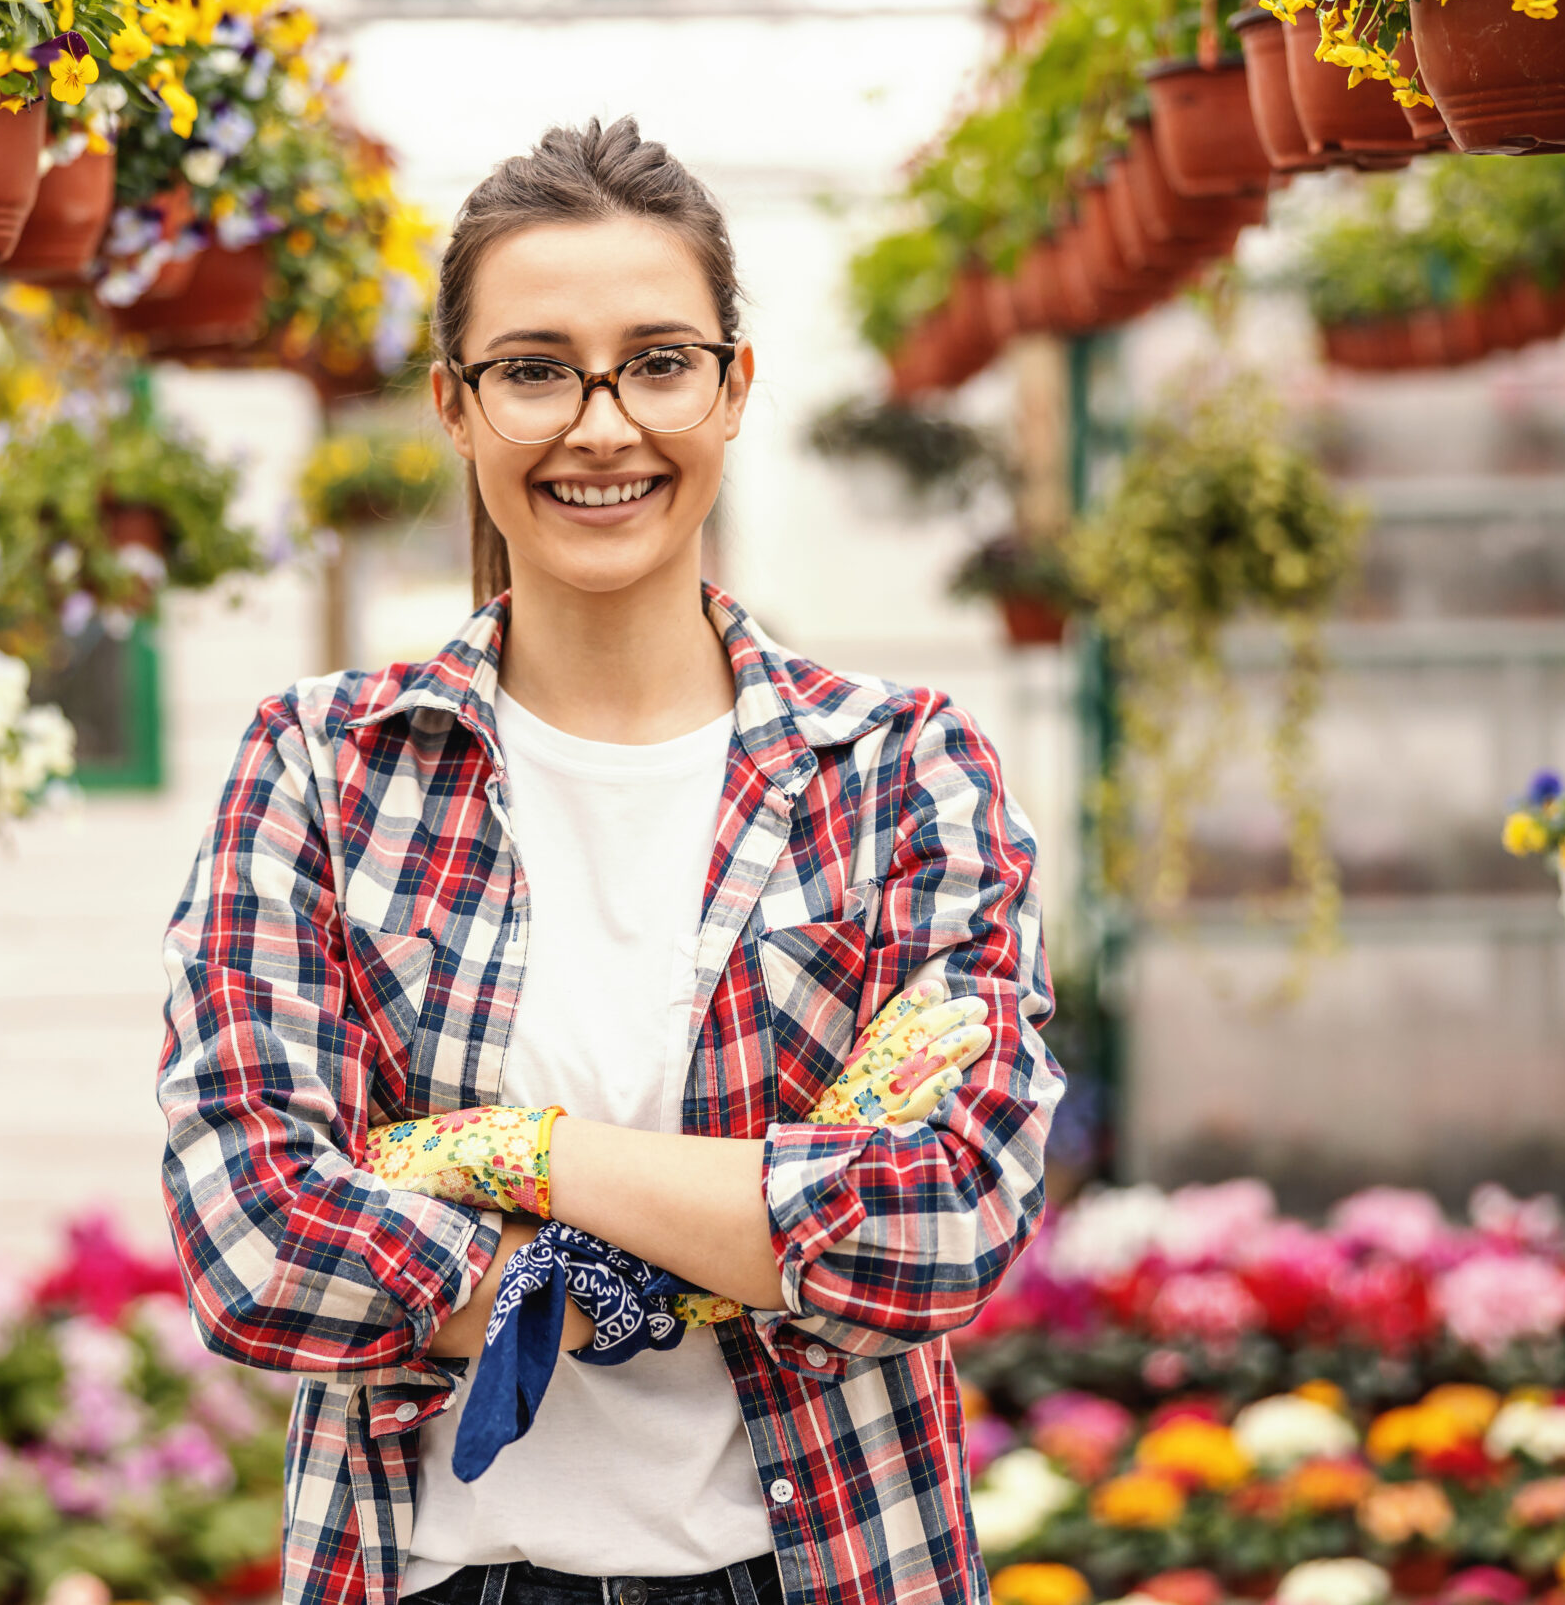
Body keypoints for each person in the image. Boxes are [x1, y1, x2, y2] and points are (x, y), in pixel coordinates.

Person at [154, 116, 1062, 1605]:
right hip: (443, 1574)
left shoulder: (900, 770)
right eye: (532, 369)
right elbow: (257, 1239)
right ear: (454, 406)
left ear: (733, 387)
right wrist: (739, 1240)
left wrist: (516, 1156)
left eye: (656, 361)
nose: (600, 424)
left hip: (818, 1565)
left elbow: (940, 1219)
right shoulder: (323, 770)